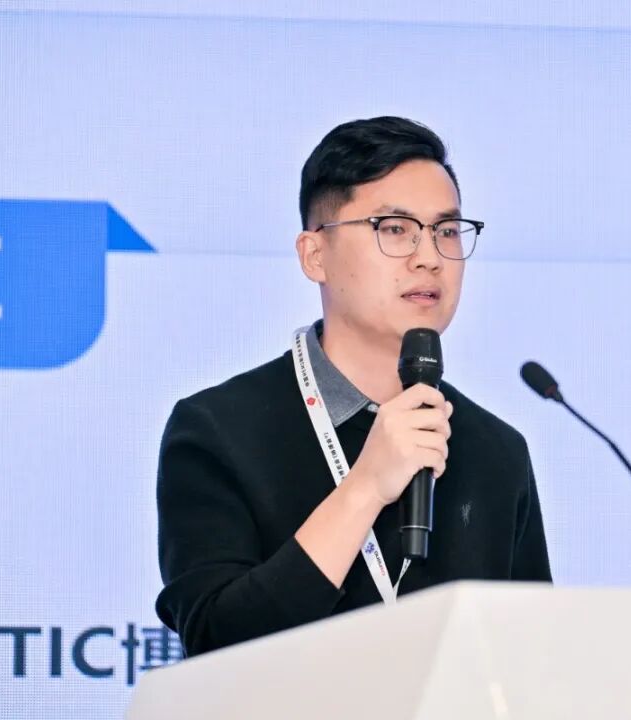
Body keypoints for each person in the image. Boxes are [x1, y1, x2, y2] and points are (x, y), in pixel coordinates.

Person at [155, 116, 552, 658]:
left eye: (446, 231)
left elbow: (530, 664)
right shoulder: (219, 430)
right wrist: (365, 487)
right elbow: (215, 645)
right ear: (314, 255)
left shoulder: (497, 450)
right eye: (395, 228)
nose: (429, 257)